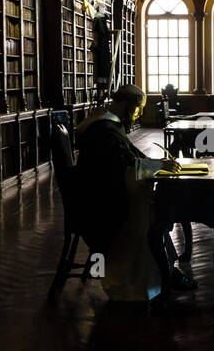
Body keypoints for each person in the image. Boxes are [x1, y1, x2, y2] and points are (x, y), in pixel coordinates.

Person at [74, 84, 195, 301]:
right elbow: (124, 167)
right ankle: (160, 276)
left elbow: (129, 155)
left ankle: (167, 271)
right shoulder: (104, 129)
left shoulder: (106, 122)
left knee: (155, 209)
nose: (138, 114)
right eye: (138, 108)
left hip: (101, 195)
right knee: (154, 215)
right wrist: (156, 166)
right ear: (127, 105)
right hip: (102, 205)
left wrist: (156, 163)